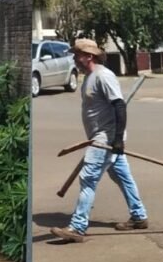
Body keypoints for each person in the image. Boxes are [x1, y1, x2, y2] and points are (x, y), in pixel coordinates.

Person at [50, 39, 149, 243]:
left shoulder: (104, 76)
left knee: (88, 179)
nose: (75, 59)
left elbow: (119, 106)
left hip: (105, 139)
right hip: (100, 138)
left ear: (89, 56)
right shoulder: (89, 77)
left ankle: (77, 227)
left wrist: (118, 139)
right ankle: (139, 216)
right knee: (123, 177)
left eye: (78, 55)